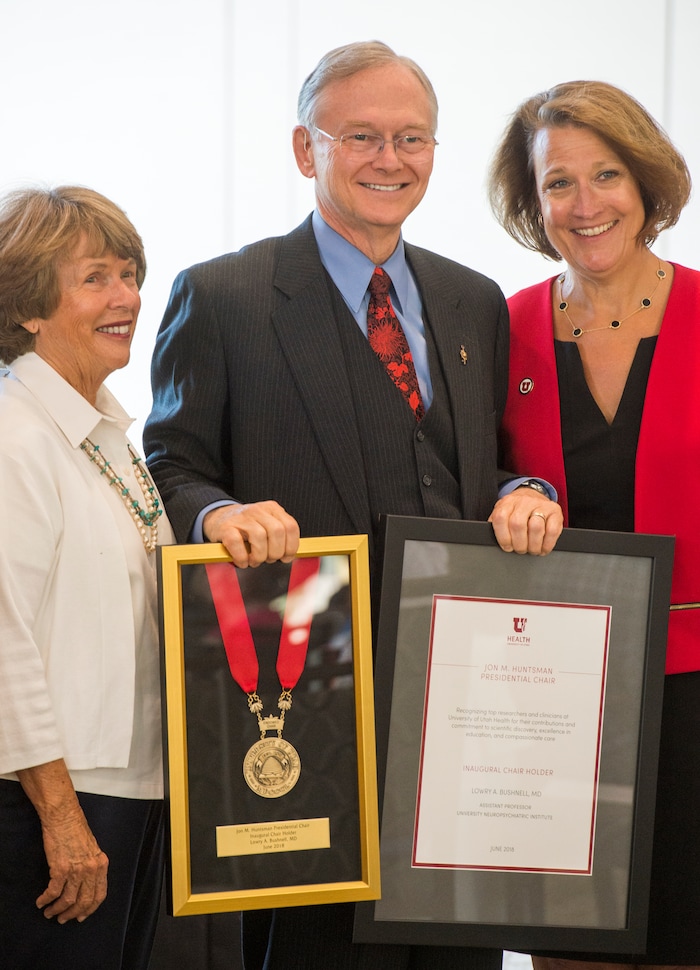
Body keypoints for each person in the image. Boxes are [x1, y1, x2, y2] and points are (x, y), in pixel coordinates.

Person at [145, 40, 562, 970]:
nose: (390, 158)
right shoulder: (222, 295)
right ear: (308, 149)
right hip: (301, 705)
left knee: (456, 948)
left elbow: (484, 467)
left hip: (457, 705)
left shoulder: (473, 300)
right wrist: (218, 515)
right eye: (361, 136)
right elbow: (171, 464)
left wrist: (526, 492)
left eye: (412, 138)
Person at [489, 80, 698, 970]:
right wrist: (510, 492)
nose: (585, 204)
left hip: (694, 695)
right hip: (556, 698)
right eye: (558, 183)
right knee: (570, 946)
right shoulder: (501, 329)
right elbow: (469, 477)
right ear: (533, 203)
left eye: (606, 174)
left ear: (646, 181)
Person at [0, 185, 174, 970]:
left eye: (129, 274)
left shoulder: (103, 432)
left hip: (129, 792)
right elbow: (5, 641)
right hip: (49, 804)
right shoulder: (16, 438)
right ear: (29, 307)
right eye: (95, 278)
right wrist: (62, 816)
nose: (126, 298)